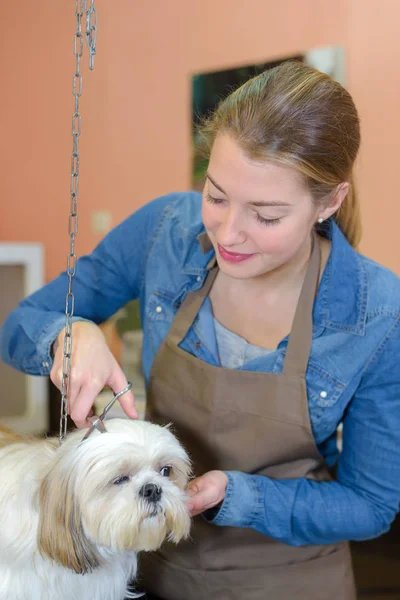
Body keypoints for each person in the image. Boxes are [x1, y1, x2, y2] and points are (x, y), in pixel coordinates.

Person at [1, 60, 400, 600]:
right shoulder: (166, 231)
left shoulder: (377, 313)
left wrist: (239, 496)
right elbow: (19, 325)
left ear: (329, 202)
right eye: (216, 196)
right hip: (152, 567)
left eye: (266, 214)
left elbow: (372, 505)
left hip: (291, 581)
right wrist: (67, 334)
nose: (227, 232)